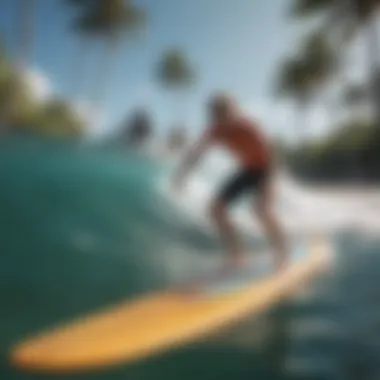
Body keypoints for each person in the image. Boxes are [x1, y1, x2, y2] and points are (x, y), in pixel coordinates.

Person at [172, 92, 287, 279]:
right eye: (215, 114)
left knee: (262, 210)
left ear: (233, 111)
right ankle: (237, 256)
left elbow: (272, 157)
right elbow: (196, 154)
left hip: (266, 168)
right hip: (247, 170)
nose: (220, 118)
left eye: (224, 113)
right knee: (216, 210)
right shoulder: (214, 131)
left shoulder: (247, 127)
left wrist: (268, 186)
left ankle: (282, 252)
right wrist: (181, 174)